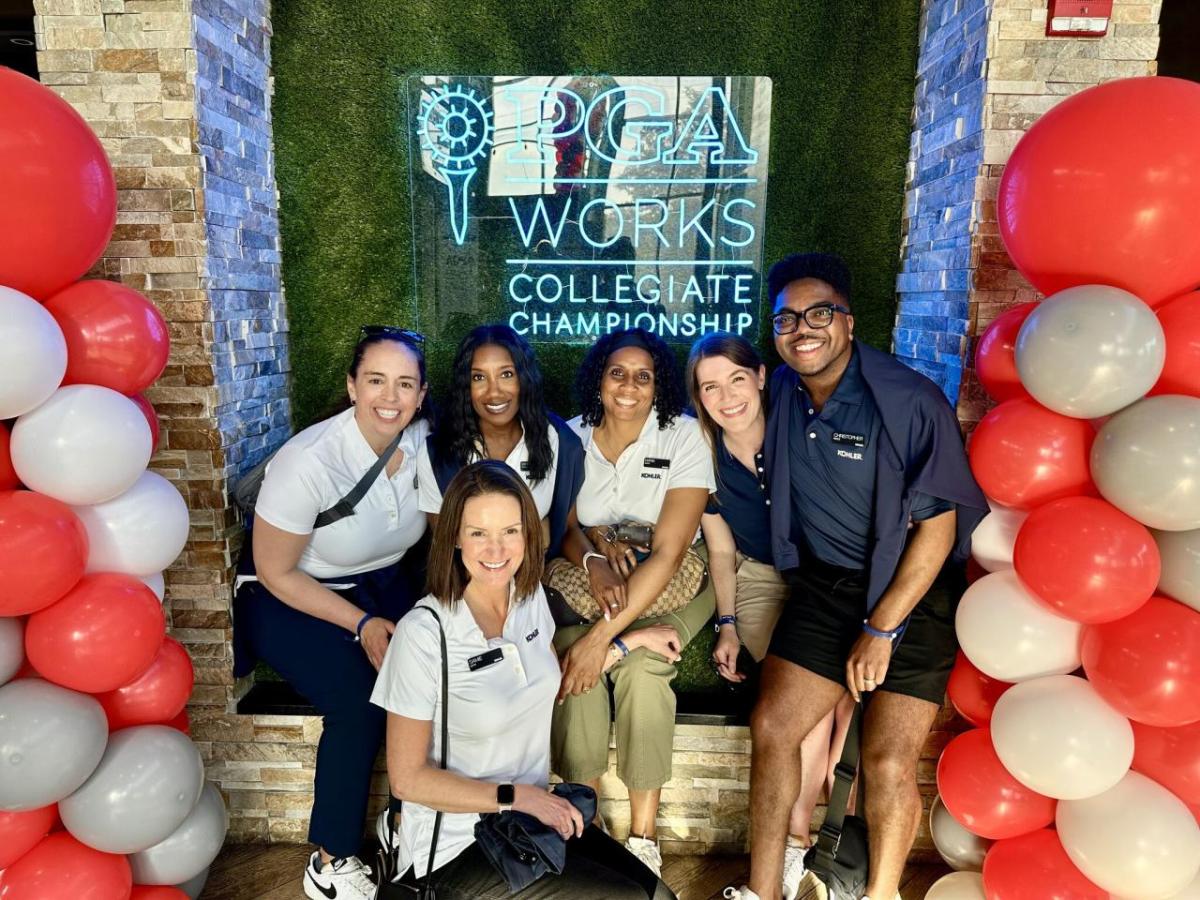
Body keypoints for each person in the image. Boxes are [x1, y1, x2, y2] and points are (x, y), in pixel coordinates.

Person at [726, 254, 988, 900]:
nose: (801, 328)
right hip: (827, 586)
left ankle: (881, 896)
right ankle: (761, 892)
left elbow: (939, 529)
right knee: (773, 727)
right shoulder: (782, 391)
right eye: (786, 318)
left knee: (887, 760)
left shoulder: (905, 402)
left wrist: (881, 628)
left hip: (912, 595)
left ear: (847, 321)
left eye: (819, 313)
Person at [373, 460, 677, 899]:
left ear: (527, 534)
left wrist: (632, 642)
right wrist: (517, 796)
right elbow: (407, 780)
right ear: (455, 537)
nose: (496, 550)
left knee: (657, 896)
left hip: (527, 822)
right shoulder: (424, 634)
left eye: (509, 531)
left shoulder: (530, 600)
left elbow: (542, 684)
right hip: (456, 850)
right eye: (478, 533)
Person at [233, 325, 432, 900]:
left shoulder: (423, 439)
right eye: (375, 380)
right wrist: (362, 625)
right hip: (290, 593)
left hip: (382, 584)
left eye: (404, 384)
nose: (389, 397)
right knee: (359, 702)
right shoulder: (309, 460)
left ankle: (404, 825)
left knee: (432, 680)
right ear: (352, 386)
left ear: (421, 395)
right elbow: (275, 571)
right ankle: (331, 859)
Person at [687, 332, 855, 900]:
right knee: (799, 700)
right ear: (699, 396)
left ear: (761, 376)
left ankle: (796, 840)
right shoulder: (703, 456)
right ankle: (796, 841)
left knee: (820, 700)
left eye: (736, 379)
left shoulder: (800, 429)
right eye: (710, 386)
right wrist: (727, 624)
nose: (726, 396)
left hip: (824, 578)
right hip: (759, 576)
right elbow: (720, 550)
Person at [552, 328, 718, 877]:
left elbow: (669, 552)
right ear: (598, 379)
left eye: (643, 376)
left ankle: (644, 835)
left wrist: (607, 639)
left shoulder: (683, 437)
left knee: (641, 665)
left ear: (658, 386)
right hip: (601, 582)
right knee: (576, 664)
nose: (629, 386)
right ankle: (585, 827)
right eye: (617, 373)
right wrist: (595, 556)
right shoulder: (569, 437)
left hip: (673, 582)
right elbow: (567, 524)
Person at [417, 323, 583, 557]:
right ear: (466, 386)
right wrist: (538, 531)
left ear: (524, 378)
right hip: (468, 582)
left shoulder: (560, 442)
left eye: (506, 374)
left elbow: (567, 529)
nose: (494, 392)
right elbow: (447, 541)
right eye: (478, 377)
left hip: (536, 579)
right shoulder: (437, 453)